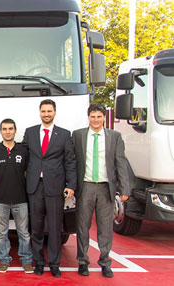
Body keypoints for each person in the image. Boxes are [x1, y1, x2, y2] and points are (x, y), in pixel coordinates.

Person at [73, 104, 130, 278]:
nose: (95, 119)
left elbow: (120, 162)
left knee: (105, 228)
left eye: (99, 116)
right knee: (82, 227)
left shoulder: (114, 137)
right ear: (88, 117)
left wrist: (125, 188)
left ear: (104, 117)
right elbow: (72, 162)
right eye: (92, 116)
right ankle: (83, 262)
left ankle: (105, 263)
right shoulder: (78, 136)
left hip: (106, 187)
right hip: (86, 186)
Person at [22, 99, 76, 278]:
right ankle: (38, 262)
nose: (46, 114)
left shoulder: (64, 134)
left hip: (55, 187)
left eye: (49, 111)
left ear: (54, 112)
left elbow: (70, 162)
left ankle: (54, 264)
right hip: (35, 186)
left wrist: (71, 185)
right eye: (43, 111)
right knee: (36, 228)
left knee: (54, 228)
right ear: (40, 113)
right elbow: (22, 155)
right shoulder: (30, 133)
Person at [0, 119, 33, 274]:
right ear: (1, 131)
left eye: (10, 128)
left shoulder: (23, 151)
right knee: (1, 234)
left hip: (20, 200)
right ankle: (4, 261)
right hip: (0, 200)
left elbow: (26, 173)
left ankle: (26, 261)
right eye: (4, 129)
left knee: (24, 233)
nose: (7, 131)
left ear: (15, 131)